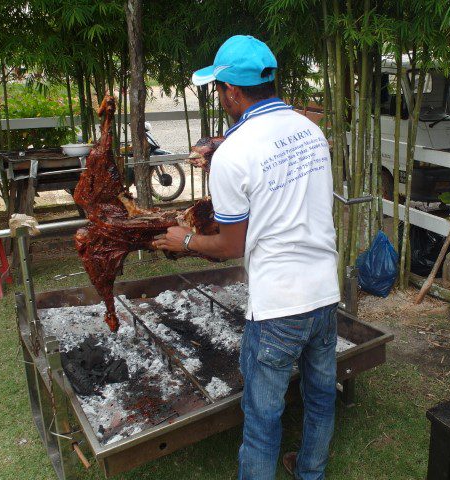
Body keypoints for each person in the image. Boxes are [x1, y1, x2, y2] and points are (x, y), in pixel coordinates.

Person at [153, 35, 340, 480]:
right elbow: (272, 161)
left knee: (261, 419)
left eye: (218, 88)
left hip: (278, 306)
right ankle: (310, 471)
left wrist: (183, 240)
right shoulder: (310, 131)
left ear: (232, 91)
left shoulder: (235, 154)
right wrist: (222, 149)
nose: (219, 97)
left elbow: (230, 247)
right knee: (320, 396)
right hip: (325, 293)